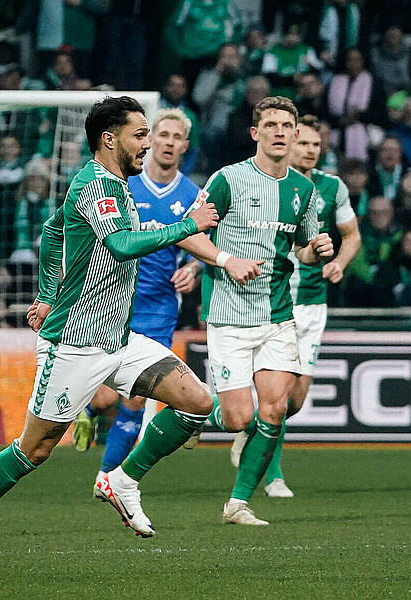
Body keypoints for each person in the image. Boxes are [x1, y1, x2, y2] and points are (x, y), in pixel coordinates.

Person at [0, 96, 221, 577]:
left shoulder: (120, 187)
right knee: (34, 450)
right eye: (139, 134)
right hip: (75, 343)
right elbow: (122, 245)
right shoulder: (96, 185)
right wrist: (188, 225)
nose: (147, 143)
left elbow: (52, 230)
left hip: (120, 338)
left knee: (195, 401)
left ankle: (122, 480)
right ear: (110, 139)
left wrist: (44, 292)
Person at [70, 109, 261, 480]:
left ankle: (106, 477)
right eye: (164, 135)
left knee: (137, 397)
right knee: (108, 394)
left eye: (177, 137)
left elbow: (204, 243)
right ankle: (90, 412)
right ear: (151, 140)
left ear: (185, 146)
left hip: (159, 306)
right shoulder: (123, 184)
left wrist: (192, 268)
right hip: (111, 302)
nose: (170, 142)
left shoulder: (193, 195)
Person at [181, 96, 334, 525]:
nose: (282, 132)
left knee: (276, 408)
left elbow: (302, 251)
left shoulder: (304, 192)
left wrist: (317, 250)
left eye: (288, 125)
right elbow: (189, 234)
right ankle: (193, 412)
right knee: (237, 418)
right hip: (229, 315)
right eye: (272, 125)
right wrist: (226, 260)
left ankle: (238, 504)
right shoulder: (228, 180)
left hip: (278, 315)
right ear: (256, 133)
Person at [228, 114, 360, 498]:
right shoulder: (270, 184)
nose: (310, 151)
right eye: (304, 143)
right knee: (277, 397)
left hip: (313, 304)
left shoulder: (331, 188)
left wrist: (339, 261)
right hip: (271, 300)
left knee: (295, 401)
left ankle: (251, 434)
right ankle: (273, 477)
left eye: (316, 146)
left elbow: (351, 235)